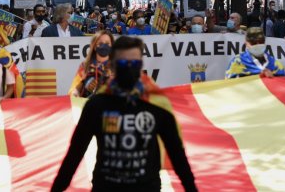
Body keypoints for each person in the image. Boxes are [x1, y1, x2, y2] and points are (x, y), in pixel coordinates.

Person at [52, 36, 197, 192]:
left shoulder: (156, 105)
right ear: (113, 65)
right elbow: (75, 153)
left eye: (134, 63)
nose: (129, 67)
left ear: (141, 65)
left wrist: (191, 188)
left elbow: (177, 154)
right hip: (106, 187)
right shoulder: (97, 105)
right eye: (123, 63)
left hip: (147, 188)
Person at [69, 31, 114, 98]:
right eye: (100, 43)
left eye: (107, 43)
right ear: (94, 46)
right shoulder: (85, 66)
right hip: (88, 105)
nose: (104, 46)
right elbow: (75, 88)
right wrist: (75, 93)